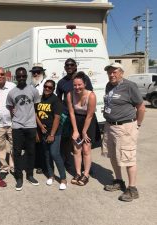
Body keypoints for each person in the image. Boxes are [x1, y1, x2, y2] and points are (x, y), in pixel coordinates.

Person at [102, 63, 145, 202]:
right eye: (109, 72)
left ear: (121, 72)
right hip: (110, 126)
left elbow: (141, 107)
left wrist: (137, 124)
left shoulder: (129, 86)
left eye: (114, 72)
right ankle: (119, 181)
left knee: (128, 157)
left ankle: (132, 189)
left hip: (126, 127)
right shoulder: (109, 85)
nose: (111, 75)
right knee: (114, 156)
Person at [6, 67, 41, 191]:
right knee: (17, 153)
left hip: (31, 126)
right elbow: (10, 107)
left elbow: (36, 107)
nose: (21, 78)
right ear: (16, 77)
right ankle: (19, 177)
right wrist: (16, 117)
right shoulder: (11, 92)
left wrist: (31, 120)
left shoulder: (33, 90)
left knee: (31, 152)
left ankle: (30, 175)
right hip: (17, 127)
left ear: (26, 76)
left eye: (23, 76)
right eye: (19, 76)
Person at [56, 58, 93, 172]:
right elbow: (59, 98)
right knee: (67, 140)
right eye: (67, 65)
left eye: (72, 65)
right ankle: (67, 161)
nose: (69, 67)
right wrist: (61, 113)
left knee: (84, 142)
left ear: (76, 66)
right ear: (65, 67)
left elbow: (89, 94)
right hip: (68, 115)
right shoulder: (61, 82)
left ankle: (85, 166)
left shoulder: (84, 78)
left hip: (82, 115)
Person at [67, 72, 98, 186]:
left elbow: (90, 115)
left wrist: (84, 132)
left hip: (88, 122)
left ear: (84, 84)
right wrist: (75, 130)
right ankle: (78, 173)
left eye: (79, 85)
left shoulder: (91, 95)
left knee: (86, 149)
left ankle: (86, 174)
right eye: (75, 85)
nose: (77, 87)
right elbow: (71, 113)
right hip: (76, 121)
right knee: (76, 149)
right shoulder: (70, 94)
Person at [36, 79, 67, 190]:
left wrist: (52, 134)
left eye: (50, 87)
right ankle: (51, 175)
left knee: (54, 154)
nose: (47, 89)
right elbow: (36, 113)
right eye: (46, 86)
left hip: (54, 132)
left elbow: (57, 118)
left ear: (53, 89)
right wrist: (40, 127)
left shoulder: (56, 100)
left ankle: (63, 178)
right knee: (47, 154)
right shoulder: (40, 99)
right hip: (43, 131)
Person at [0, 67, 16, 180]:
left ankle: (13, 166)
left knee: (14, 145)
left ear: (5, 75)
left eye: (2, 74)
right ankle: (4, 168)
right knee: (0, 147)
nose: (0, 76)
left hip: (12, 122)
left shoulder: (12, 87)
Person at [30, 63, 48, 175]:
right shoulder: (31, 85)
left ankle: (44, 165)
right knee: (35, 141)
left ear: (42, 73)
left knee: (43, 142)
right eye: (34, 73)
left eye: (39, 72)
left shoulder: (46, 84)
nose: (36, 74)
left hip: (44, 115)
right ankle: (36, 163)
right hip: (33, 116)